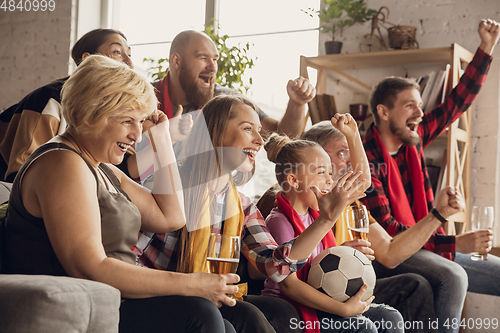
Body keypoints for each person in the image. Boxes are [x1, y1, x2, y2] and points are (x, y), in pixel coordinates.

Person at [4, 54, 239, 333]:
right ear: (84, 114)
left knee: (234, 320)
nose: (137, 136)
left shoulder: (101, 166)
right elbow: (90, 267)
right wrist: (191, 284)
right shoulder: (62, 163)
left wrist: (162, 137)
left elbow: (171, 216)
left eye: (140, 122)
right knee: (200, 315)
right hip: (87, 304)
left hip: (115, 300)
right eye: (127, 121)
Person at [135, 94, 364, 333]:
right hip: (156, 299)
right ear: (215, 132)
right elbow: (127, 263)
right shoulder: (166, 187)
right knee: (217, 318)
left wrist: (326, 220)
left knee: (280, 312)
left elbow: (275, 268)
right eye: (248, 129)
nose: (259, 140)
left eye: (259, 131)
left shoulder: (241, 206)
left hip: (206, 299)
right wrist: (186, 287)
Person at [361, 18, 500, 333]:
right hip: (390, 256)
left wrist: (486, 48)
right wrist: (454, 241)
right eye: (410, 105)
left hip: (428, 245)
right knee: (453, 276)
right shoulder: (366, 159)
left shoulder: (415, 137)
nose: (420, 113)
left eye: (420, 105)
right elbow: (393, 234)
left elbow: (455, 104)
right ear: (383, 112)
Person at [300, 119, 469, 332]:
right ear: (315, 156)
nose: (352, 160)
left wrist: (440, 213)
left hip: (349, 285)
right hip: (319, 291)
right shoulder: (300, 199)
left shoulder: (354, 205)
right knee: (450, 277)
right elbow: (285, 262)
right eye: (343, 152)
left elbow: (389, 252)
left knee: (415, 285)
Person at [261, 132, 404, 333]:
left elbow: (363, 182)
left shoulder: (315, 215)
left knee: (390, 317)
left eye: (330, 172)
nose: (330, 180)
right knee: (362, 327)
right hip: (289, 305)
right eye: (322, 173)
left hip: (320, 293)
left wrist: (341, 254)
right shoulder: (279, 221)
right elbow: (288, 285)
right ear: (294, 180)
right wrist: (343, 309)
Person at [0, 28, 134, 183]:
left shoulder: (110, 108)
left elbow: (125, 168)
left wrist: (160, 133)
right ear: (88, 60)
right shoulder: (49, 100)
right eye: (117, 52)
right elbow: (21, 173)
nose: (129, 63)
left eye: (129, 54)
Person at [154, 30, 314, 137]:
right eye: (203, 58)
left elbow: (280, 135)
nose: (212, 67)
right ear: (176, 61)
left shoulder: (227, 99)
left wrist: (297, 104)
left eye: (215, 59)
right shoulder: (143, 99)